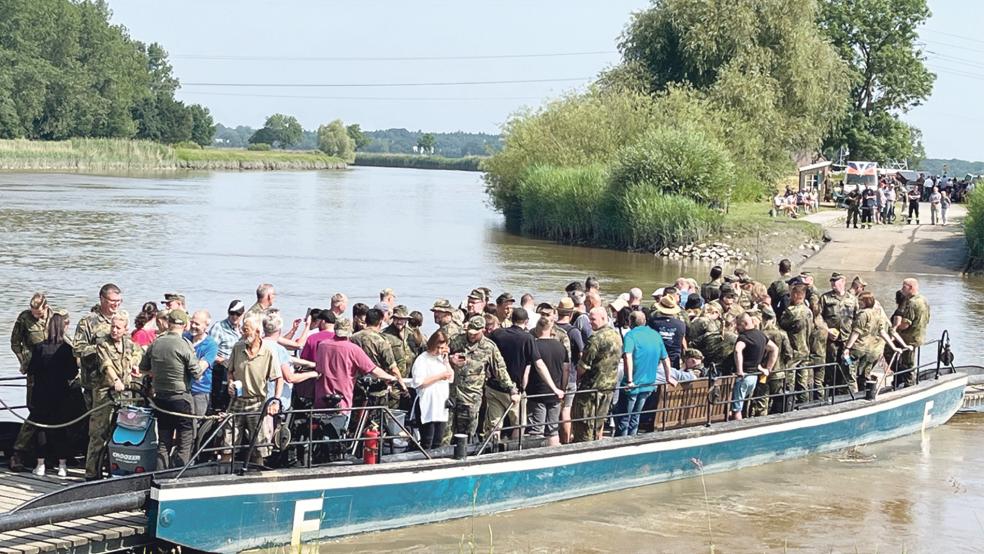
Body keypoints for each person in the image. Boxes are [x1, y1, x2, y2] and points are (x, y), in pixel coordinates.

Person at [141, 309, 202, 469]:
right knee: (186, 439)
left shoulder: (156, 343)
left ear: (168, 324)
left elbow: (143, 368)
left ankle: (160, 474)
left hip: (160, 397)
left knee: (163, 441)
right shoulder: (184, 344)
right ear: (185, 325)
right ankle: (177, 475)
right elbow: (196, 373)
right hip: (181, 398)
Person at [25, 310, 83, 478]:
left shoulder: (39, 347)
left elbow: (31, 370)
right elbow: (72, 373)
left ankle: (40, 464)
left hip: (41, 394)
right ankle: (62, 465)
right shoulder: (66, 349)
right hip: (61, 394)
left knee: (41, 429)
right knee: (61, 429)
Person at [86, 311, 141, 479]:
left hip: (124, 395)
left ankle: (114, 470)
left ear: (125, 329)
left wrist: (134, 364)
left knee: (120, 433)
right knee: (98, 434)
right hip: (105, 393)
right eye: (113, 326)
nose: (114, 330)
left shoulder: (128, 343)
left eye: (118, 327)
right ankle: (91, 473)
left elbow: (138, 352)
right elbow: (106, 365)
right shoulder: (103, 343)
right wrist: (115, 380)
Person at [447, 316, 518, 442]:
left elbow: (500, 370)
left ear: (483, 330)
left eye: (475, 333)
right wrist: (450, 360)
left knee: (466, 435)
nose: (472, 336)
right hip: (450, 395)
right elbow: (438, 355)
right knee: (446, 434)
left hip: (471, 398)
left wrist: (511, 389)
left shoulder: (489, 347)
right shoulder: (455, 340)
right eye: (470, 332)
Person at [9, 292, 50, 472]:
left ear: (45, 308)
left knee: (56, 410)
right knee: (35, 410)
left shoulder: (54, 318)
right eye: (33, 312)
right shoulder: (24, 319)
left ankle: (56, 452)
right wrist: (24, 360)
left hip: (53, 370)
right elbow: (15, 342)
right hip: (34, 370)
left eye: (38, 313)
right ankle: (18, 451)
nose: (35, 315)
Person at [615, 311, 671, 436]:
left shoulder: (630, 335)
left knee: (624, 418)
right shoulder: (655, 335)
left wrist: (629, 380)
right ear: (645, 321)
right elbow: (665, 358)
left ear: (630, 322)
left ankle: (621, 444)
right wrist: (669, 377)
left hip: (632, 385)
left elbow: (628, 356)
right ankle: (632, 440)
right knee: (635, 417)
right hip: (648, 384)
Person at [572, 308, 623, 442]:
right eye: (589, 319)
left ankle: (583, 450)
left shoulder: (595, 338)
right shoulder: (616, 336)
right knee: (599, 423)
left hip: (591, 388)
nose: (590, 323)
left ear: (603, 318)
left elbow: (583, 366)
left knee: (584, 424)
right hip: (609, 387)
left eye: (593, 319)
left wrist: (577, 377)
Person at [844, 292, 907, 390]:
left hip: (858, 349)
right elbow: (883, 332)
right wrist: (894, 347)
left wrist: (847, 348)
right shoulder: (878, 315)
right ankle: (865, 391)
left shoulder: (863, 314)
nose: (858, 302)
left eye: (860, 300)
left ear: (865, 302)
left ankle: (852, 393)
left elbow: (856, 332)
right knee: (865, 373)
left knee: (849, 368)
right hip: (871, 351)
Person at [410, 331, 454, 450]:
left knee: (438, 441)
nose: (439, 351)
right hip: (427, 404)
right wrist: (439, 376)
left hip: (441, 405)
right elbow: (418, 383)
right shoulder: (422, 359)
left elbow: (451, 377)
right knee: (427, 441)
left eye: (442, 348)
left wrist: (446, 361)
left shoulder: (441, 358)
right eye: (438, 348)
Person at [528, 317, 567, 446]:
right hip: (556, 392)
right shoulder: (561, 346)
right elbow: (566, 369)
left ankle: (536, 457)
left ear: (537, 329)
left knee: (536, 430)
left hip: (537, 392)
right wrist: (562, 387)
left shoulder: (534, 346)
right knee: (553, 429)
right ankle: (555, 457)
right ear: (551, 329)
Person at [731, 313, 778, 420]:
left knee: (736, 408)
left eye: (738, 325)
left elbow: (738, 350)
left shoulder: (744, 337)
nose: (737, 328)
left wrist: (739, 370)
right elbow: (774, 348)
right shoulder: (761, 335)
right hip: (754, 377)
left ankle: (738, 429)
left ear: (744, 324)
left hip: (744, 377)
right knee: (744, 404)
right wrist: (768, 368)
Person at [819, 273, 858, 395]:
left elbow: (857, 319)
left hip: (847, 341)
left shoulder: (852, 299)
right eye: (832, 281)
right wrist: (827, 330)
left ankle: (848, 393)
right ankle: (831, 394)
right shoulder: (825, 298)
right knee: (831, 369)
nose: (833, 284)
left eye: (835, 281)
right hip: (831, 341)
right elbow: (818, 317)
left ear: (843, 282)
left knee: (849, 367)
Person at [778, 285, 813, 404]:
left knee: (789, 381)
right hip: (805, 349)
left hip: (793, 350)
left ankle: (788, 405)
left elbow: (781, 325)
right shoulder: (809, 311)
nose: (790, 297)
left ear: (797, 295)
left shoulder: (791, 311)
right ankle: (804, 403)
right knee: (803, 381)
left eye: (792, 294)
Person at [208, 300, 244, 412]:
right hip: (221, 369)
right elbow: (209, 352)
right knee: (220, 401)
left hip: (237, 370)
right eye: (231, 313)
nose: (234, 316)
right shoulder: (219, 327)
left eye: (237, 314)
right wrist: (222, 360)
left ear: (242, 314)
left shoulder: (242, 329)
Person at [895, 278, 930, 388]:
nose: (902, 289)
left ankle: (908, 384)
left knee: (907, 362)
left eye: (904, 287)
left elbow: (906, 324)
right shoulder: (924, 299)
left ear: (910, 287)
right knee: (909, 360)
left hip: (909, 337)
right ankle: (904, 379)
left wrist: (895, 328)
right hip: (920, 335)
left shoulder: (911, 302)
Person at [186, 310, 218, 416]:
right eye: (192, 322)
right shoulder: (184, 338)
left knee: (195, 422)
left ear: (206, 326)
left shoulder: (211, 345)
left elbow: (199, 369)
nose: (193, 326)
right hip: (183, 389)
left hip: (199, 390)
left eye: (197, 324)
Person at [647, 296, 687, 369]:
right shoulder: (681, 324)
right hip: (674, 361)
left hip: (656, 361)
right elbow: (683, 344)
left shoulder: (652, 323)